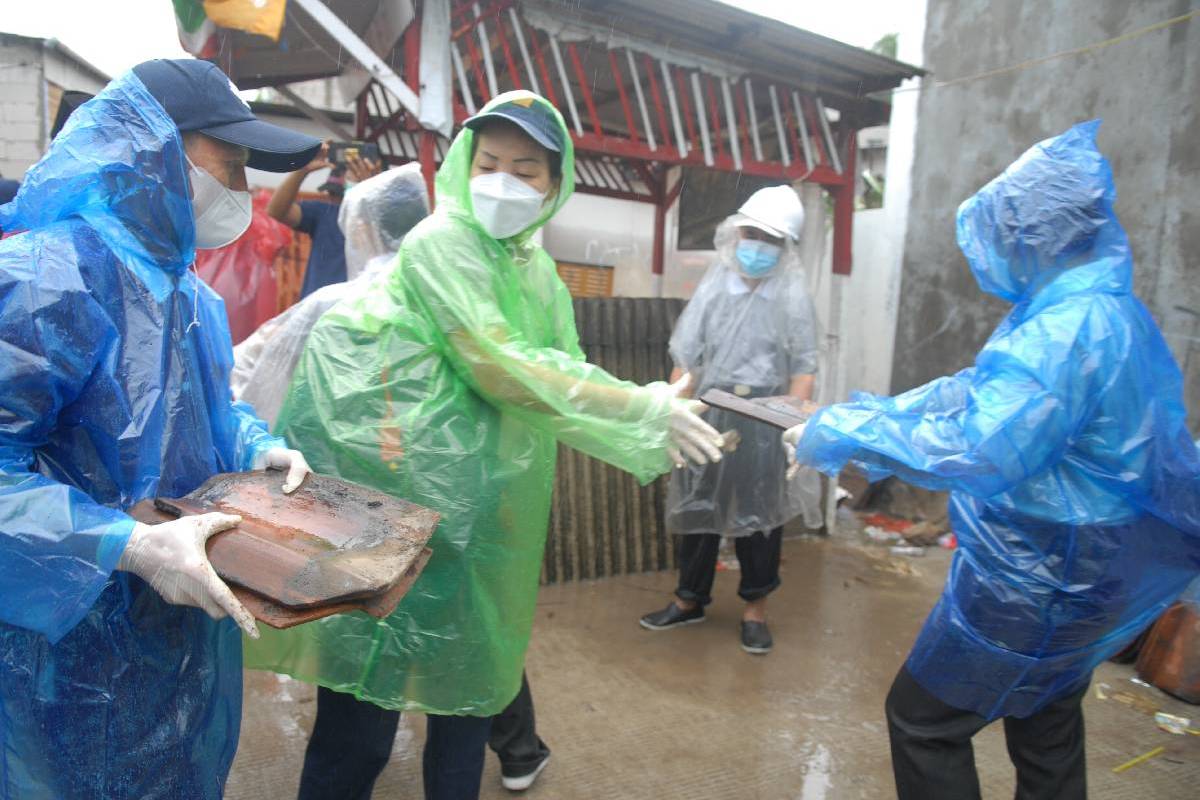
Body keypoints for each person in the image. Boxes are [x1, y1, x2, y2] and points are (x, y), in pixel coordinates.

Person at [243, 89, 726, 800]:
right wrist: (638, 408)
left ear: (555, 184)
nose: (503, 180)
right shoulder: (443, 244)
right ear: (464, 165)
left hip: (484, 518)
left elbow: (556, 381)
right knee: (363, 717)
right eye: (489, 161)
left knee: (465, 697)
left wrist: (641, 420)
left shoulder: (537, 273)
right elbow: (501, 366)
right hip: (390, 510)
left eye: (526, 168)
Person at [782, 120, 1200, 800]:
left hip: (1037, 573)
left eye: (1007, 230)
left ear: (1034, 233)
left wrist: (845, 435)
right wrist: (869, 418)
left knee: (924, 721)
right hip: (1085, 565)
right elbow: (977, 391)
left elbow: (980, 446)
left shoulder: (1065, 332)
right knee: (1045, 717)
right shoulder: (1097, 311)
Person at [0, 58, 320, 798]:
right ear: (150, 151)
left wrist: (253, 446)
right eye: (231, 165)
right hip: (62, 654)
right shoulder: (44, 278)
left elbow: (204, 410)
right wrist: (128, 545)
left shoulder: (189, 297)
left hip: (177, 641)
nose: (242, 192)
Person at [235, 162, 552, 791]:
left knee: (355, 716)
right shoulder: (475, 306)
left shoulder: (335, 305)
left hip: (359, 536)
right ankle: (509, 755)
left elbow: (247, 384)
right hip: (466, 539)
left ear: (358, 228)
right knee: (459, 708)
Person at [640, 185, 822, 654]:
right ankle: (688, 600)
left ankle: (755, 610)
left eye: (770, 239)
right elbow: (687, 354)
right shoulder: (716, 286)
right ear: (735, 233)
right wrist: (676, 407)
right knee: (698, 503)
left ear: (785, 249)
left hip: (766, 411)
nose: (758, 246)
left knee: (760, 514)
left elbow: (804, 365)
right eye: (752, 233)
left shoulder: (791, 297)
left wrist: (794, 424)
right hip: (711, 404)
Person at [234, 162, 431, 427]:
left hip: (325, 456)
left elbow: (257, 384)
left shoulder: (327, 305)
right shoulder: (437, 304)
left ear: (360, 228)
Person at [266, 141, 381, 298]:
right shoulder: (325, 212)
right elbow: (276, 210)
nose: (332, 199)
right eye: (331, 194)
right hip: (316, 312)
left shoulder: (380, 218)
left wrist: (370, 190)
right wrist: (302, 169)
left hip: (355, 314)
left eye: (337, 194)